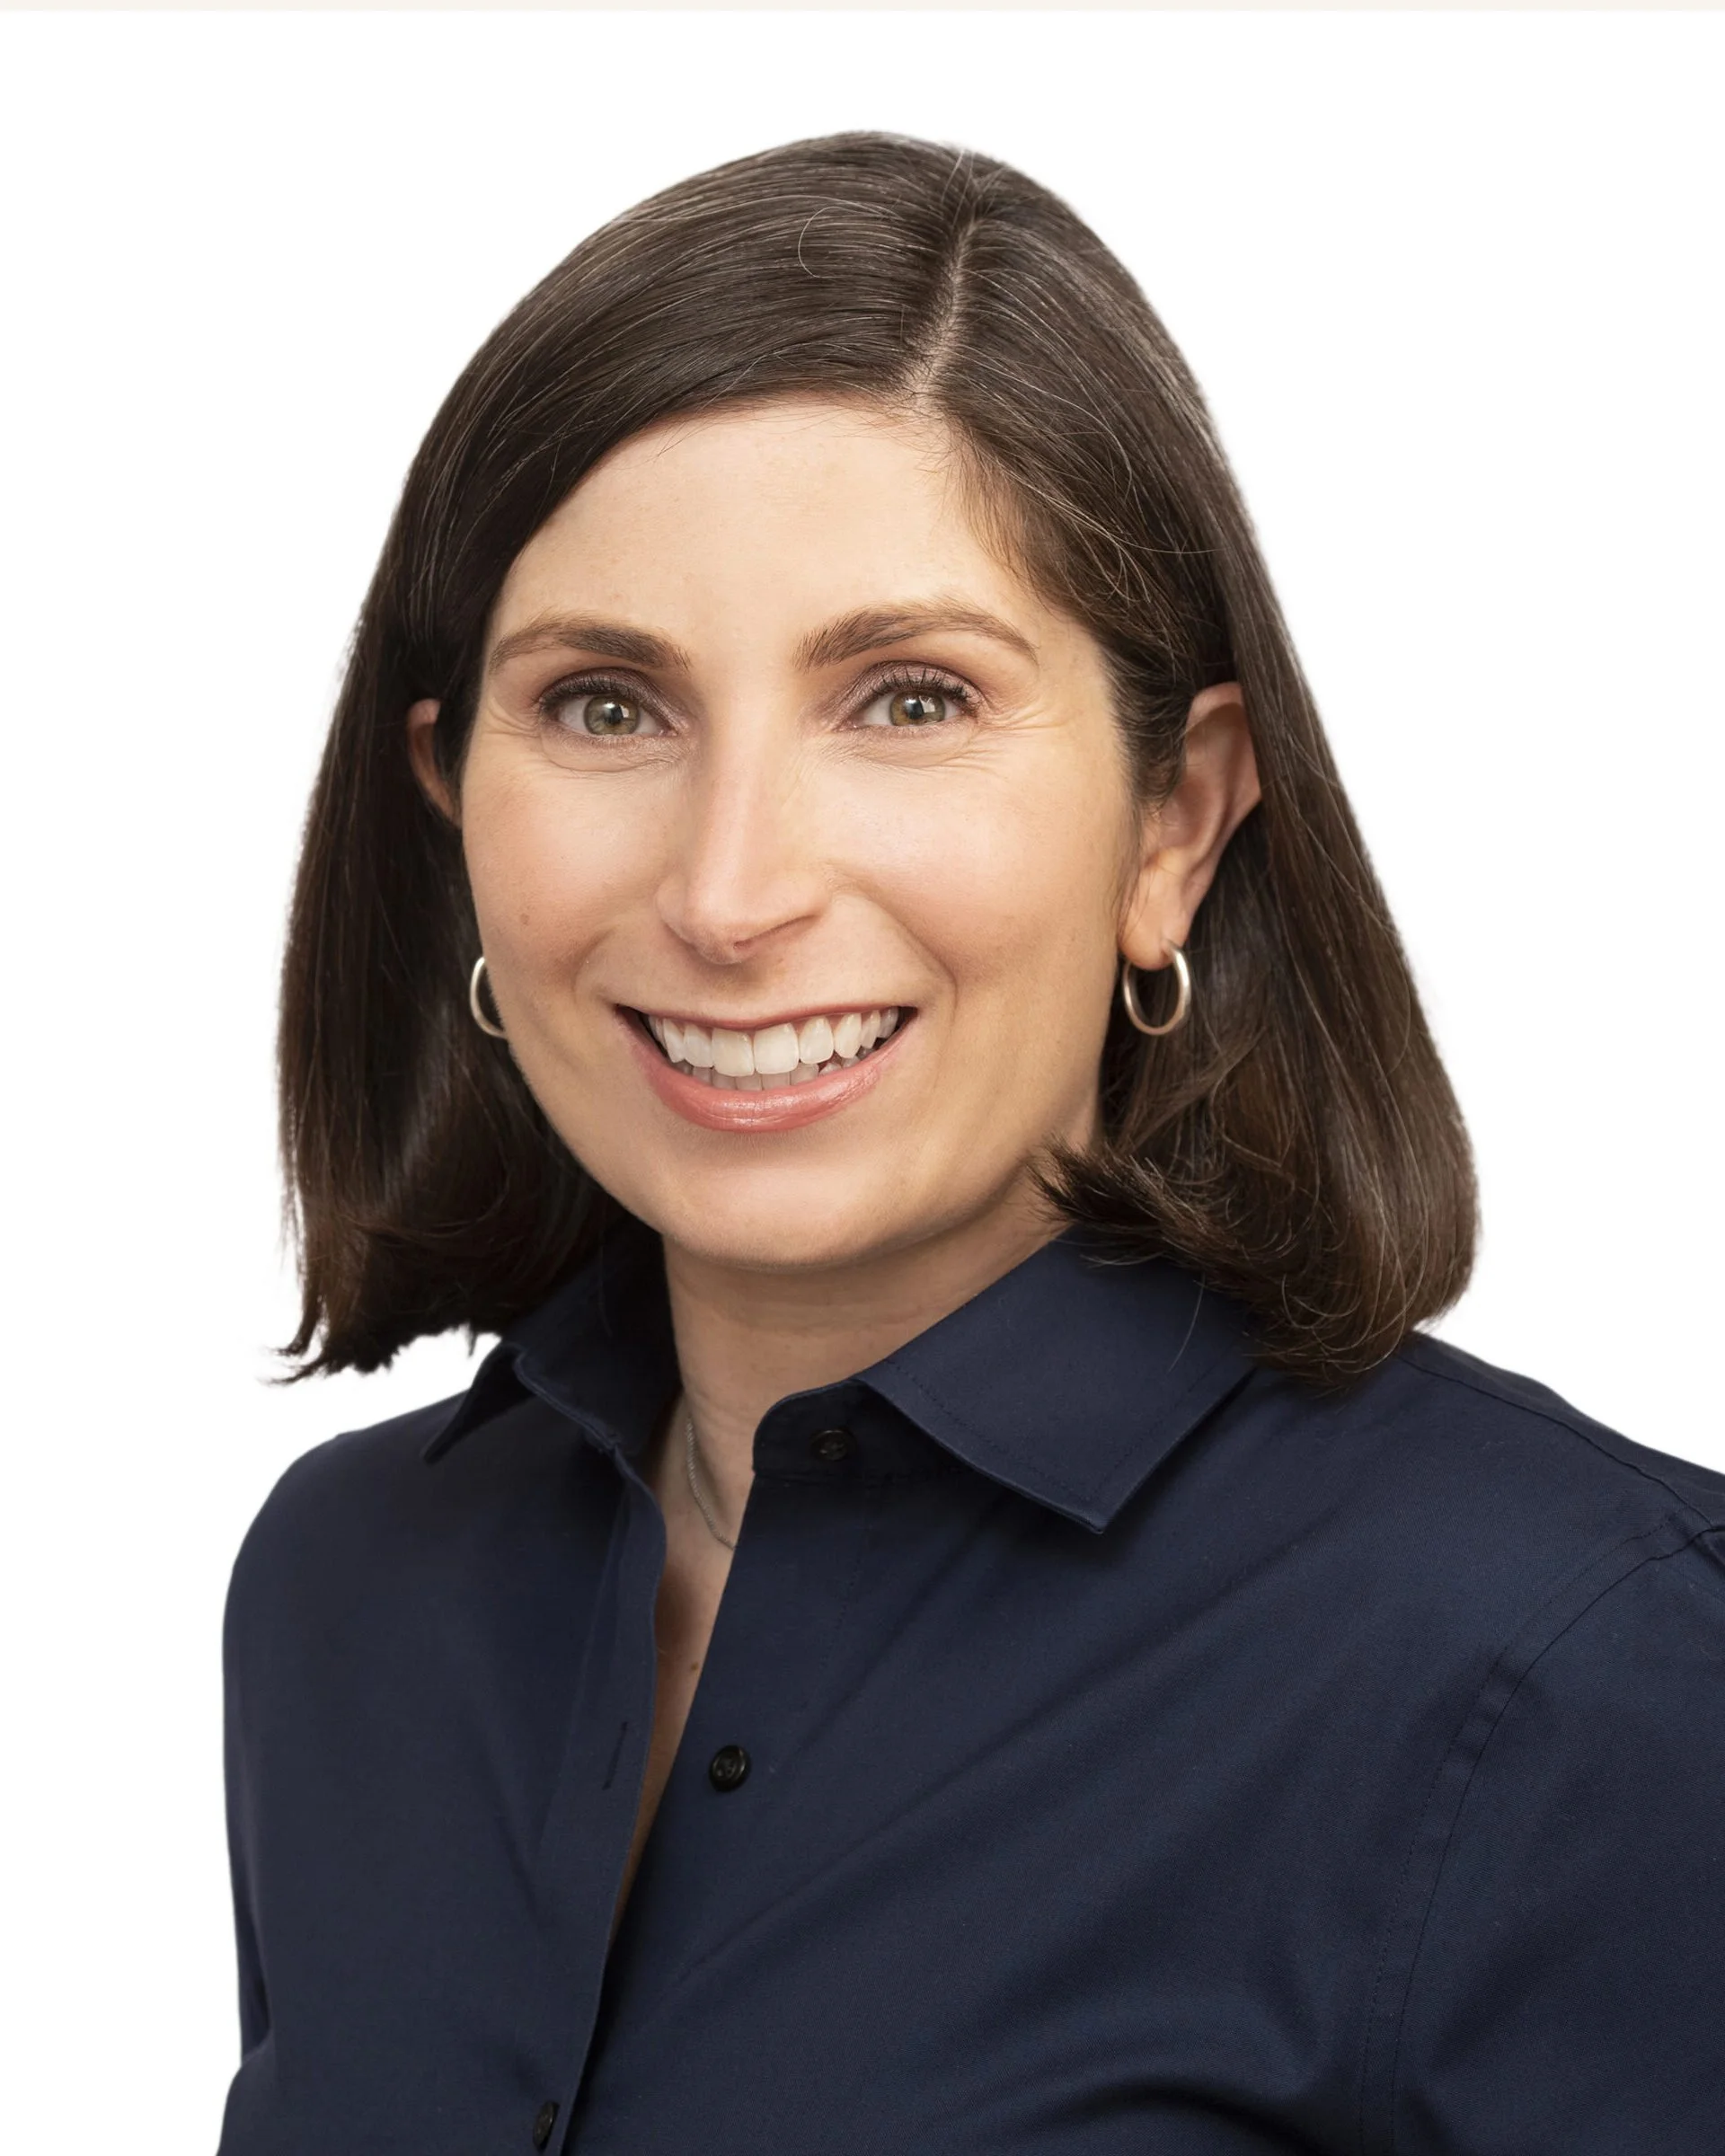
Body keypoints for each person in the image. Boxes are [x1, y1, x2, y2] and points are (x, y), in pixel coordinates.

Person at [218, 132, 1725, 2154]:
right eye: (602, 707)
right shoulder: (357, 1593)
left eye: (911, 700)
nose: (732, 890)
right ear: (449, 803)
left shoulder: (1579, 1680)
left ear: (1176, 821)